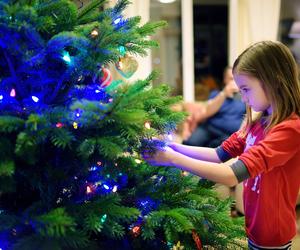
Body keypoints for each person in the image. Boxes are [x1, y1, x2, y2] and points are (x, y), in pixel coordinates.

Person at [143, 41, 300, 249]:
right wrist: (171, 147)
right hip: (255, 229)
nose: (242, 97)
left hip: (273, 236)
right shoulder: (257, 124)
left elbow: (231, 174)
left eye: (246, 89)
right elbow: (218, 154)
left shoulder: (290, 130)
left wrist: (172, 160)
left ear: (274, 81)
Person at [183, 66, 246, 147]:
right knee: (190, 143)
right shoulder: (216, 94)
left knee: (219, 147)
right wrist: (223, 94)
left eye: (236, 79)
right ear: (225, 80)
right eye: (230, 79)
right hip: (209, 129)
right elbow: (207, 111)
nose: (233, 82)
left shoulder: (244, 97)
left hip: (228, 134)